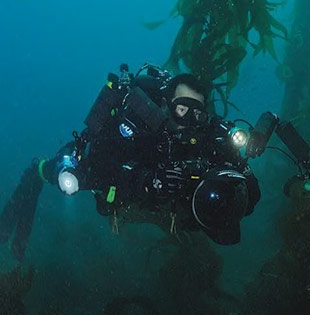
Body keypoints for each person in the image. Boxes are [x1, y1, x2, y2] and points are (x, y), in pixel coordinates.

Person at [0, 64, 261, 259]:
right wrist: (145, 181)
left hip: (166, 210)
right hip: (118, 183)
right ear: (166, 104)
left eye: (197, 112)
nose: (190, 120)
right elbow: (102, 165)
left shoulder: (204, 132)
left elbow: (250, 193)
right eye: (182, 109)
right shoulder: (140, 122)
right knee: (71, 178)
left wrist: (242, 173)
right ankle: (38, 169)